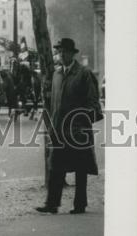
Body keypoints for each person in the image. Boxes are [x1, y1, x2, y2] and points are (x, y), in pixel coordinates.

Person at [36, 37, 103, 215]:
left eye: (64, 51)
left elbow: (93, 102)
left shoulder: (83, 74)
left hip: (77, 129)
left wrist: (83, 121)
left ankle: (80, 205)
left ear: (72, 54)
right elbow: (53, 103)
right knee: (55, 166)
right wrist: (51, 125)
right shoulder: (57, 75)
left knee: (80, 168)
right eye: (59, 52)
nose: (61, 54)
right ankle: (52, 204)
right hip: (59, 129)